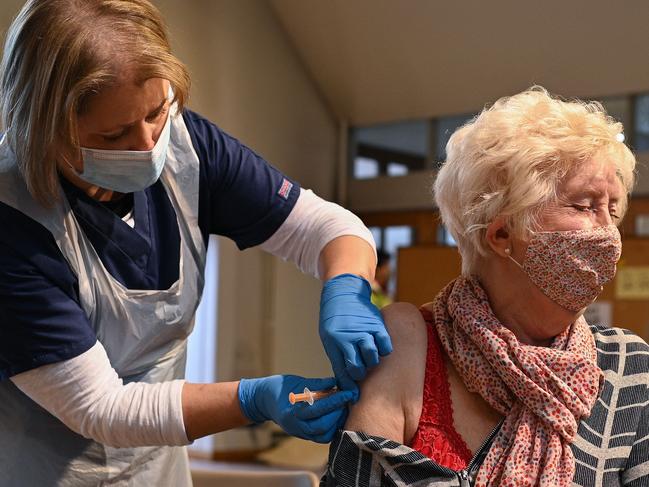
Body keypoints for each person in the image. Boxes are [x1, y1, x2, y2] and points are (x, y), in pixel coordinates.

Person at [0, 1, 392, 485]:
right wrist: (253, 400)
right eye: (115, 133)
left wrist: (347, 289)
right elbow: (101, 408)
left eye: (156, 112)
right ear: (45, 129)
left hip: (158, 464)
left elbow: (326, 227)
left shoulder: (190, 148)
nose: (147, 144)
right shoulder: (13, 225)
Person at [322, 87, 649, 486]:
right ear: (501, 233)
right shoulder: (408, 343)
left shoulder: (627, 368)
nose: (608, 234)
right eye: (584, 206)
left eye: (612, 211)